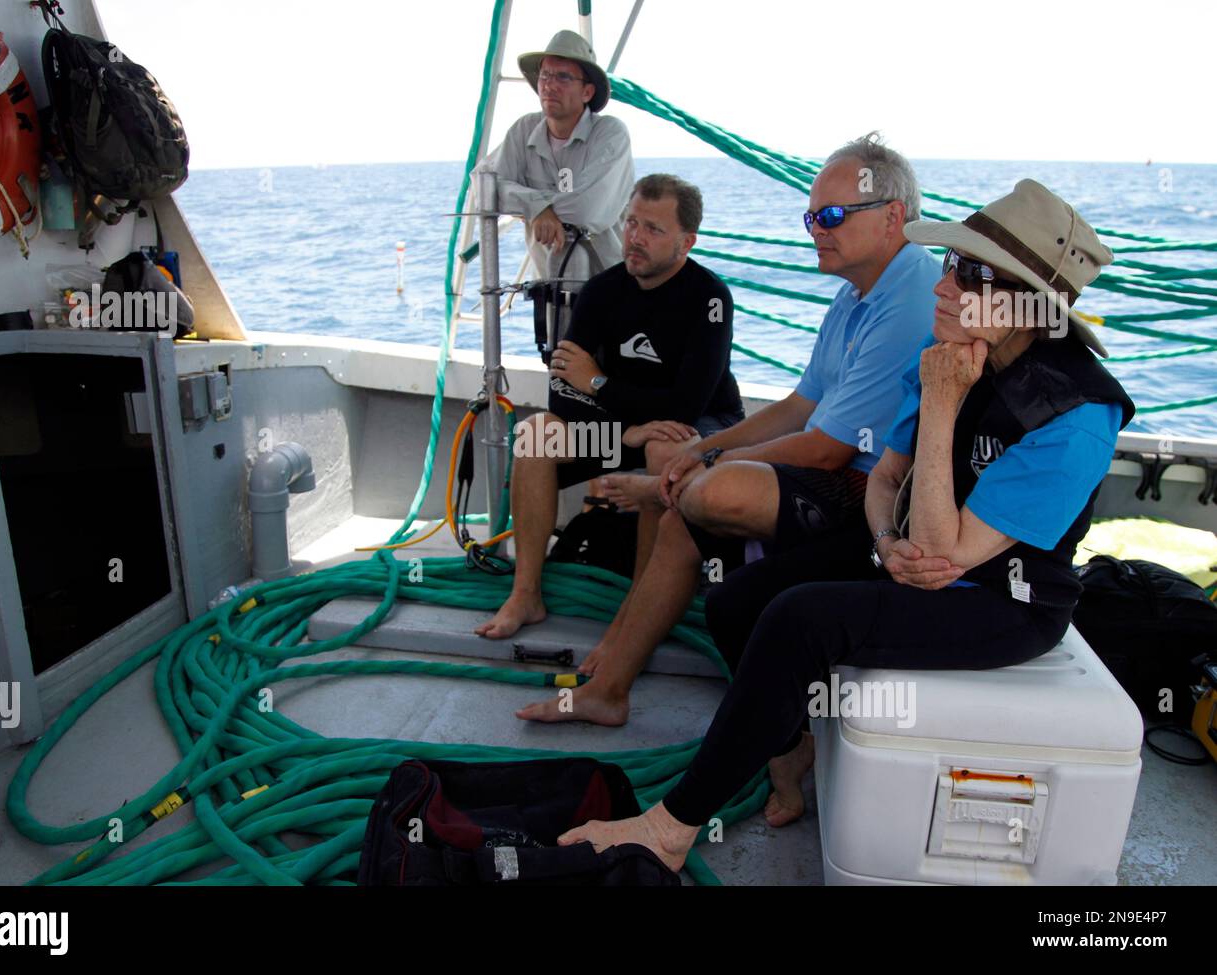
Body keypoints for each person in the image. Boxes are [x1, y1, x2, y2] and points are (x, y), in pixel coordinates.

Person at [556, 179, 1136, 871]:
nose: (945, 285)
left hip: (1000, 599)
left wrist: (946, 404)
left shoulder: (1075, 413)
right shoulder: (948, 346)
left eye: (972, 273)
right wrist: (887, 542)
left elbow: (947, 551)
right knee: (738, 599)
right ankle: (790, 743)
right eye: (951, 264)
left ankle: (673, 827)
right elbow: (887, 476)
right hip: (911, 546)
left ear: (1030, 305)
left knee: (800, 619)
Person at [514, 134, 940, 732]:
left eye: (833, 216)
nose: (816, 228)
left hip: (872, 492)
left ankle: (647, 518)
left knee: (705, 494)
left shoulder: (908, 297)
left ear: (893, 216)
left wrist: (694, 458)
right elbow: (800, 404)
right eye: (812, 216)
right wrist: (698, 449)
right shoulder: (857, 295)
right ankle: (601, 681)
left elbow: (824, 446)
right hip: (702, 447)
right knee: (621, 461)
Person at [475, 174, 744, 640]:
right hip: (620, 429)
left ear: (686, 243)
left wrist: (598, 382)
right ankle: (526, 593)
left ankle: (639, 610)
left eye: (653, 229)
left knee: (667, 447)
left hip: (705, 426)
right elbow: (562, 393)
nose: (635, 238)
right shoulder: (601, 291)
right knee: (537, 434)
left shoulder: (710, 299)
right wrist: (623, 432)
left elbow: (685, 405)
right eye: (631, 222)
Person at [475, 30, 634, 283]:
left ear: (587, 92)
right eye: (545, 75)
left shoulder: (610, 134)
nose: (549, 85)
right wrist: (538, 208)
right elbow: (484, 186)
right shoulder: (523, 130)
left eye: (563, 77)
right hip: (549, 286)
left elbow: (586, 209)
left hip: (612, 286)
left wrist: (533, 205)